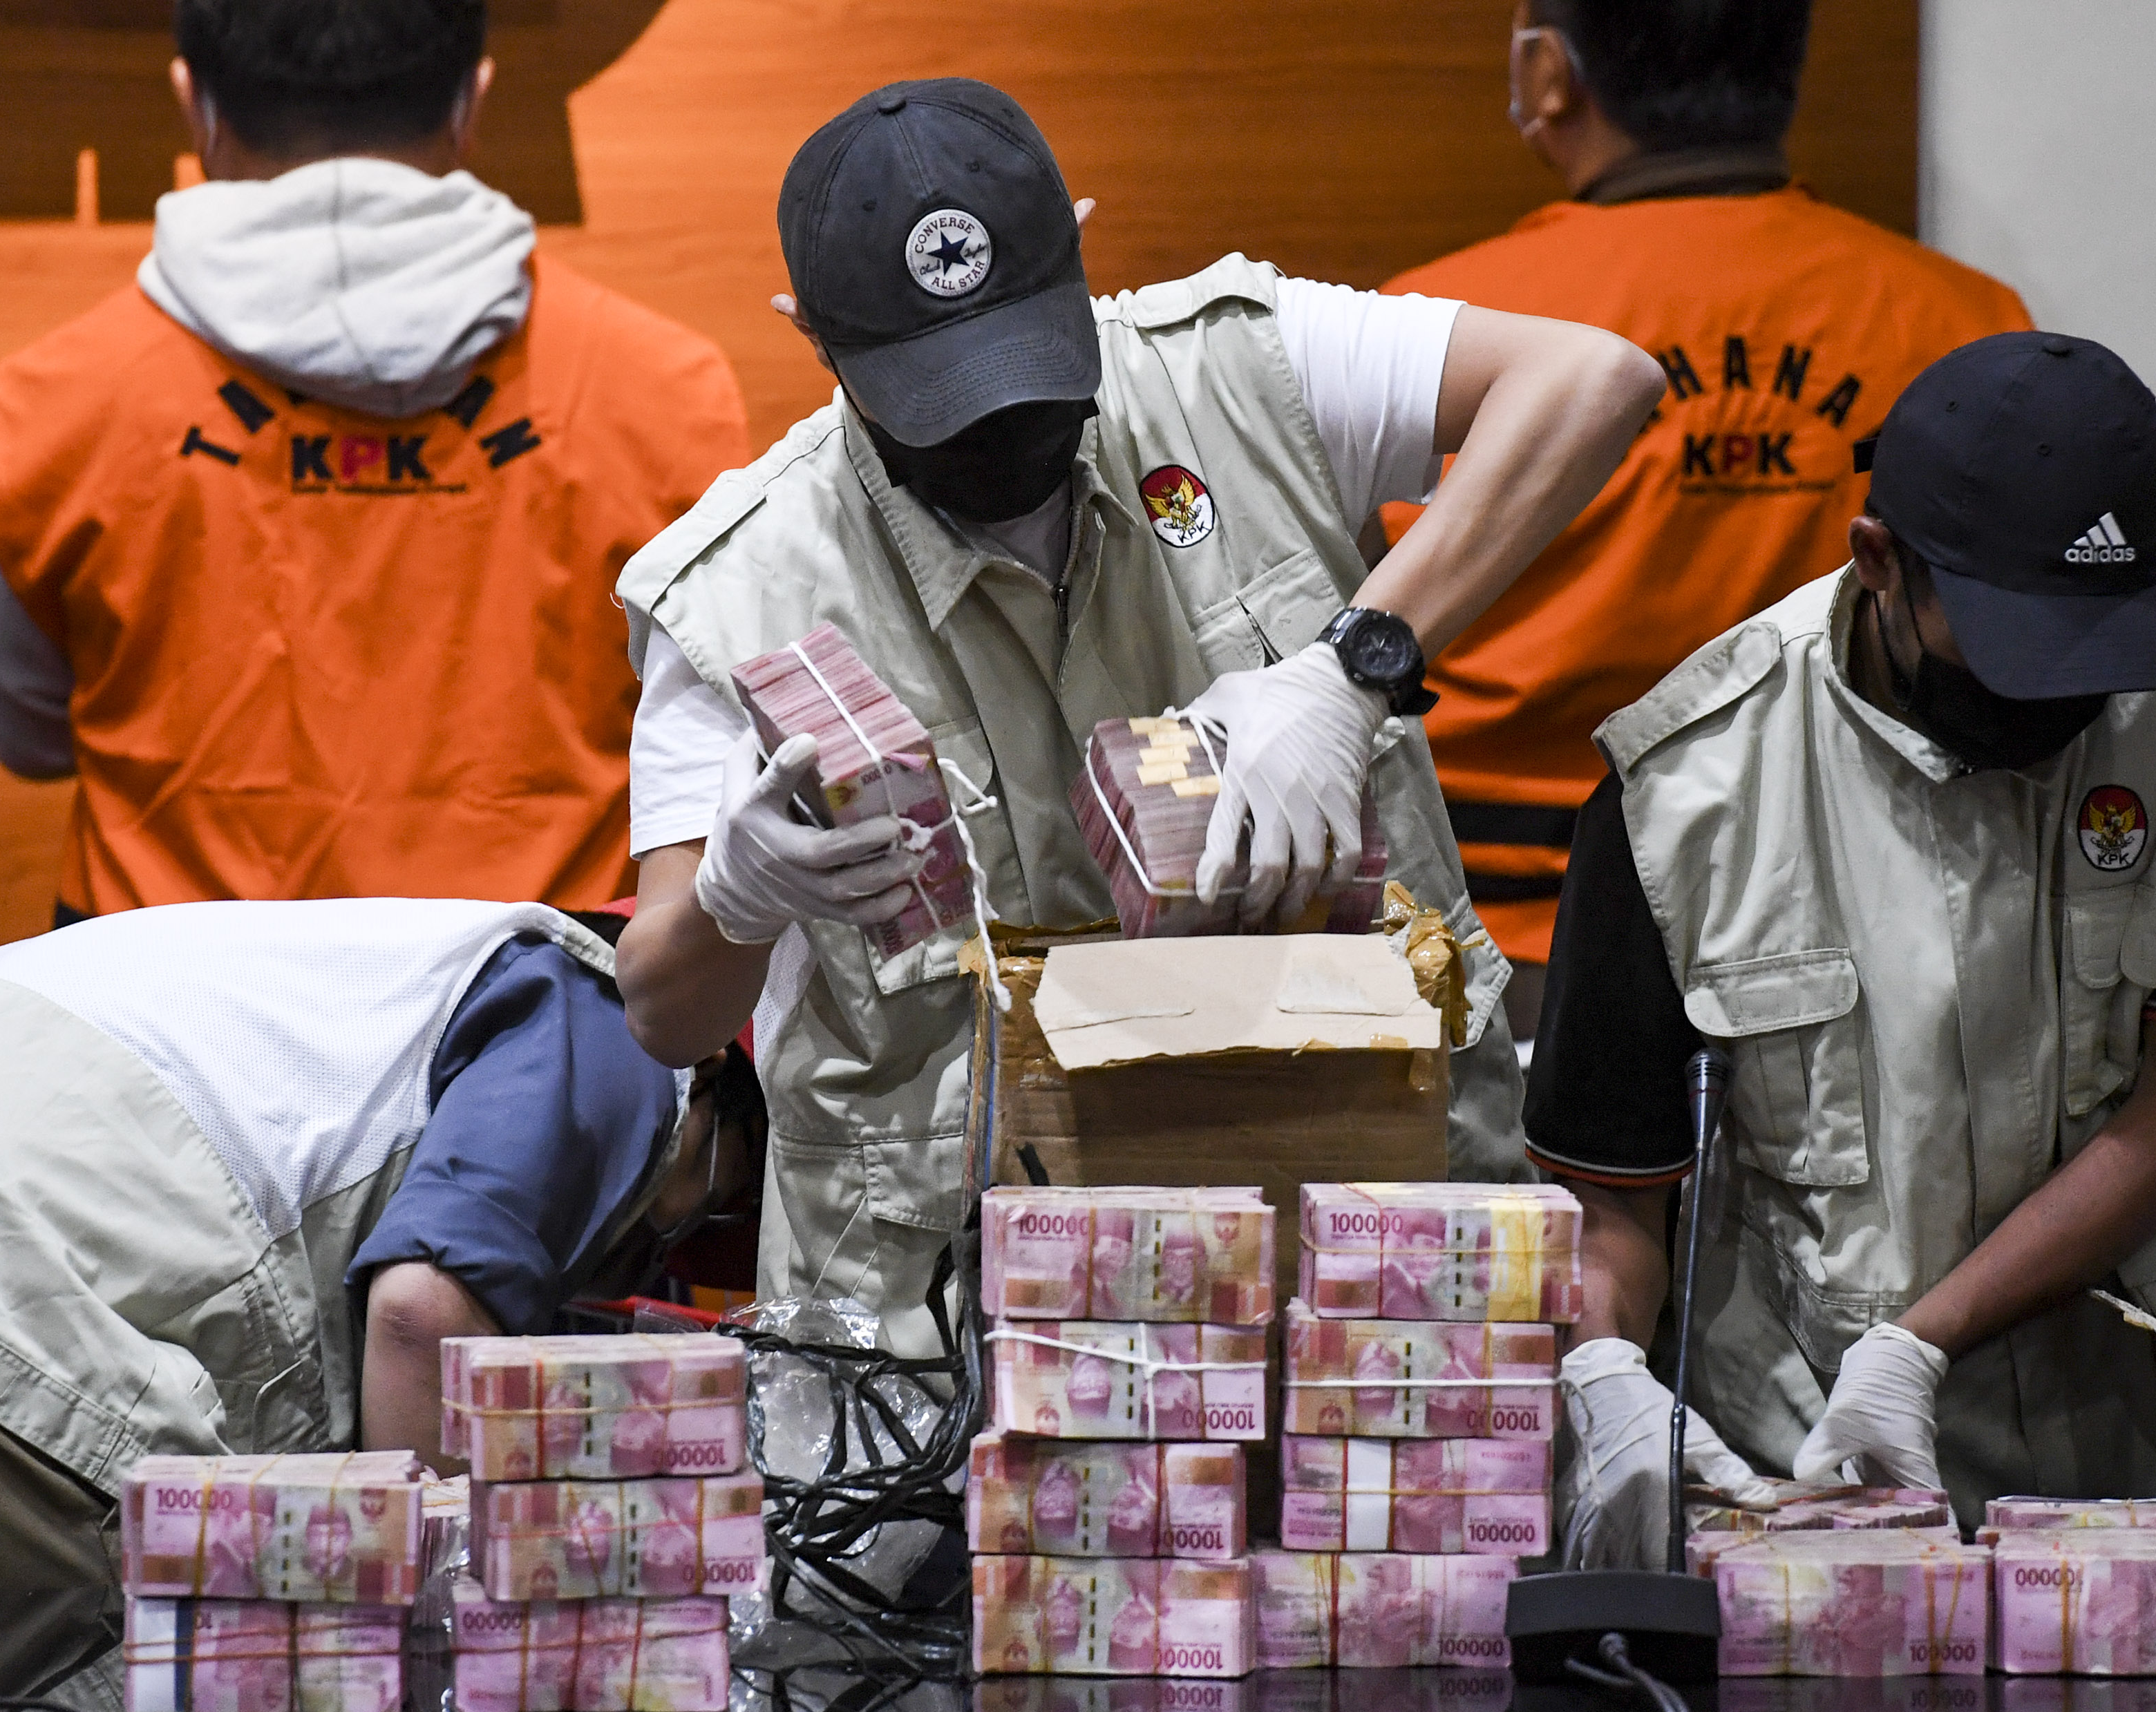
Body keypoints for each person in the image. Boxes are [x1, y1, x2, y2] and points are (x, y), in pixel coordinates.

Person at [613, 79, 1665, 1347]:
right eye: (941, 400)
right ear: (812, 337)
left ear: (1082, 247)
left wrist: (1350, 668)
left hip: (1359, 1266)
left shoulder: (1243, 370)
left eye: (1025, 372)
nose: (1001, 433)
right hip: (950, 1331)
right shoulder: (738, 588)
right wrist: (741, 896)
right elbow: (663, 1009)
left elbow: (1592, 381)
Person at [1526, 334, 2156, 1566]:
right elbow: (1616, 1200)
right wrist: (1605, 1373)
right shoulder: (1684, 792)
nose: (2064, 701)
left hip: (2151, 1452)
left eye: (2103, 651)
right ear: (1880, 566)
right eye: (2020, 651)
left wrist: (1924, 1339)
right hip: (1800, 1476)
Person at [0, 0, 750, 921]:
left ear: (195, 105)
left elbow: (29, 738)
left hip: (167, 1017)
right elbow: (708, 746)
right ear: (472, 101)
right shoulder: (669, 392)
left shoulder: (56, 398)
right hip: (543, 1020)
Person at [0, 897, 757, 1697]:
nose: (650, 1261)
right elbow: (424, 1316)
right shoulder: (619, 1013)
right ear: (710, 1058)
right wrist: (462, 1663)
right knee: (148, 1711)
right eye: (713, 1201)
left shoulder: (357, 974)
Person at [1372, 0, 2030, 1035]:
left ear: (1550, 72)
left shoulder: (1431, 341)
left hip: (1489, 959)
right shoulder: (1971, 327)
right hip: (1846, 947)